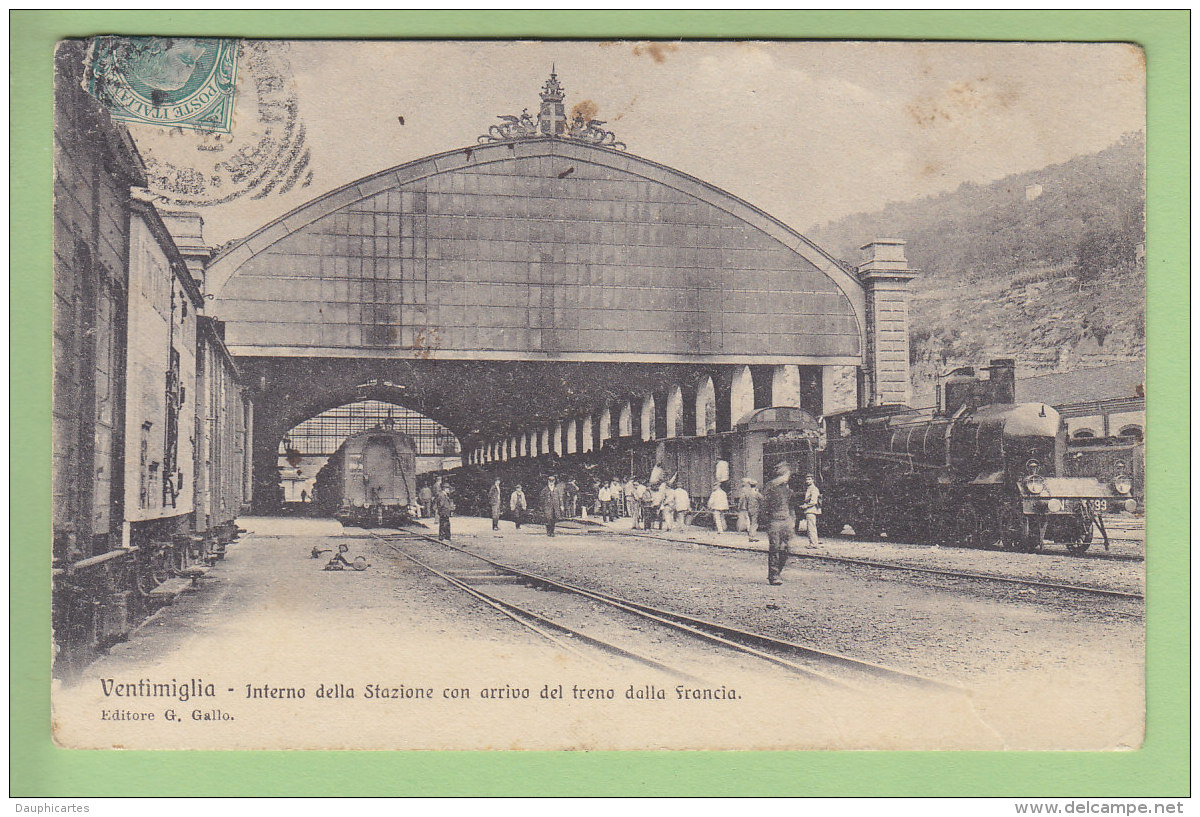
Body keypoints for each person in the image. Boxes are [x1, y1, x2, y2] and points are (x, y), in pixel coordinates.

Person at [763, 462, 794, 585]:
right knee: (775, 548)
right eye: (787, 474)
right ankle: (774, 575)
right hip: (775, 521)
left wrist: (792, 520)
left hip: (786, 520)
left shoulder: (787, 489)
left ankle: (777, 573)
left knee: (786, 548)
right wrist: (768, 521)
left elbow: (791, 506)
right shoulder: (771, 487)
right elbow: (764, 506)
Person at [737, 478, 761, 542]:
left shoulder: (748, 493)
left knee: (751, 522)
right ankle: (752, 536)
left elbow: (746, 502)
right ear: (755, 485)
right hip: (755, 509)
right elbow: (762, 499)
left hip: (749, 509)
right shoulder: (756, 493)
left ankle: (751, 535)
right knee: (754, 523)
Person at [801, 473, 821, 547]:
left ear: (813, 480)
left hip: (811, 510)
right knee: (811, 527)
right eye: (806, 479)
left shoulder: (814, 489)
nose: (807, 481)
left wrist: (805, 506)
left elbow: (813, 501)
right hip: (809, 511)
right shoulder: (809, 488)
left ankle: (813, 544)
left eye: (809, 479)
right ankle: (813, 543)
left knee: (811, 528)